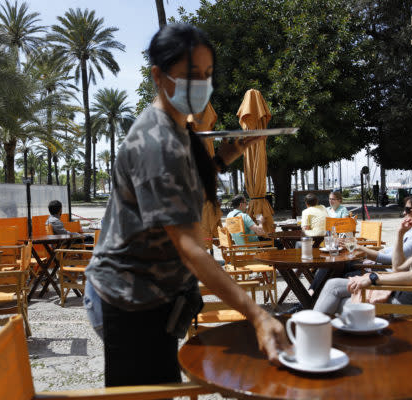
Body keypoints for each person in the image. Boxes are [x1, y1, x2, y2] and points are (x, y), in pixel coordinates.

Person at [84, 24, 287, 388]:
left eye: (208, 75)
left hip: (155, 295)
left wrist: (223, 158)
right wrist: (257, 315)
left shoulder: (176, 128)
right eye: (192, 75)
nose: (202, 85)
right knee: (146, 396)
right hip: (129, 299)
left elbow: (178, 183)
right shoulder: (156, 141)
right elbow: (191, 249)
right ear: (158, 76)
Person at [313, 193, 412, 315]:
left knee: (337, 301)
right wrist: (401, 234)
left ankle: (311, 338)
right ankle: (314, 338)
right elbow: (398, 267)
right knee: (332, 285)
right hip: (406, 292)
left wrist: (374, 278)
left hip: (409, 300)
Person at [306, 193, 412, 298]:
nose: (403, 213)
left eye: (407, 210)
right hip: (378, 268)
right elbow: (388, 252)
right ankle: (310, 296)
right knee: (336, 264)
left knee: (337, 268)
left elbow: (391, 260)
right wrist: (360, 248)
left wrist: (361, 249)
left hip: (384, 273)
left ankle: (310, 298)